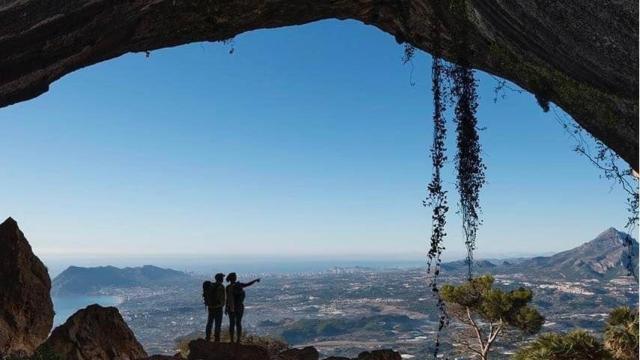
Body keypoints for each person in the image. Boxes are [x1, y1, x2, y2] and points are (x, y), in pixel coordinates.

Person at [225, 272, 260, 343]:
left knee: (232, 323)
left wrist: (226, 307)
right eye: (235, 276)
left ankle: (232, 340)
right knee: (238, 323)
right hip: (239, 307)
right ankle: (238, 339)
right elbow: (248, 284)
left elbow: (227, 298)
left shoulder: (228, 287)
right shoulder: (239, 285)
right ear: (234, 278)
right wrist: (255, 280)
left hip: (230, 307)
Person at [203, 273, 226, 342]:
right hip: (218, 308)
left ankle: (207, 337)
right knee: (218, 323)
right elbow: (222, 298)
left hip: (210, 307)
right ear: (220, 279)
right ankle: (217, 339)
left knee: (209, 322)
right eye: (222, 277)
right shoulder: (221, 286)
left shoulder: (211, 285)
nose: (223, 279)